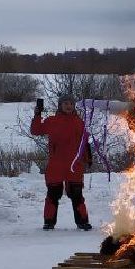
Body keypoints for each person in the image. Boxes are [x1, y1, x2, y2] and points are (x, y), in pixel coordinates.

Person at [30, 94, 92, 231]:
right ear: (60, 106)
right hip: (56, 165)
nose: (69, 106)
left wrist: (88, 157)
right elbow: (35, 130)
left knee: (77, 195)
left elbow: (84, 142)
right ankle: (49, 223)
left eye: (71, 103)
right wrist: (37, 114)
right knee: (53, 194)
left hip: (74, 166)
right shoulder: (52, 121)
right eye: (65, 104)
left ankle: (83, 222)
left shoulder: (79, 122)